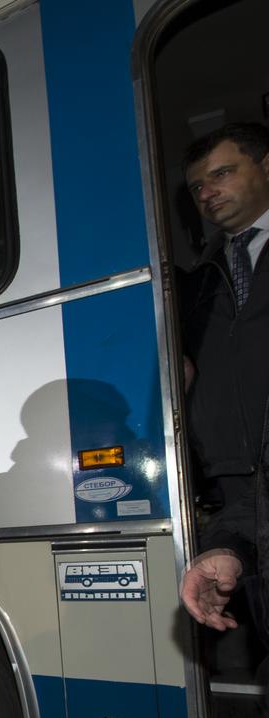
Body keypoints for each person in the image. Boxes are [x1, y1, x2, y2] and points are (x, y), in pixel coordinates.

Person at [180, 124, 269, 638]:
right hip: (239, 483)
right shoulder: (200, 279)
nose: (208, 193)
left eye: (222, 174)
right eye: (197, 186)